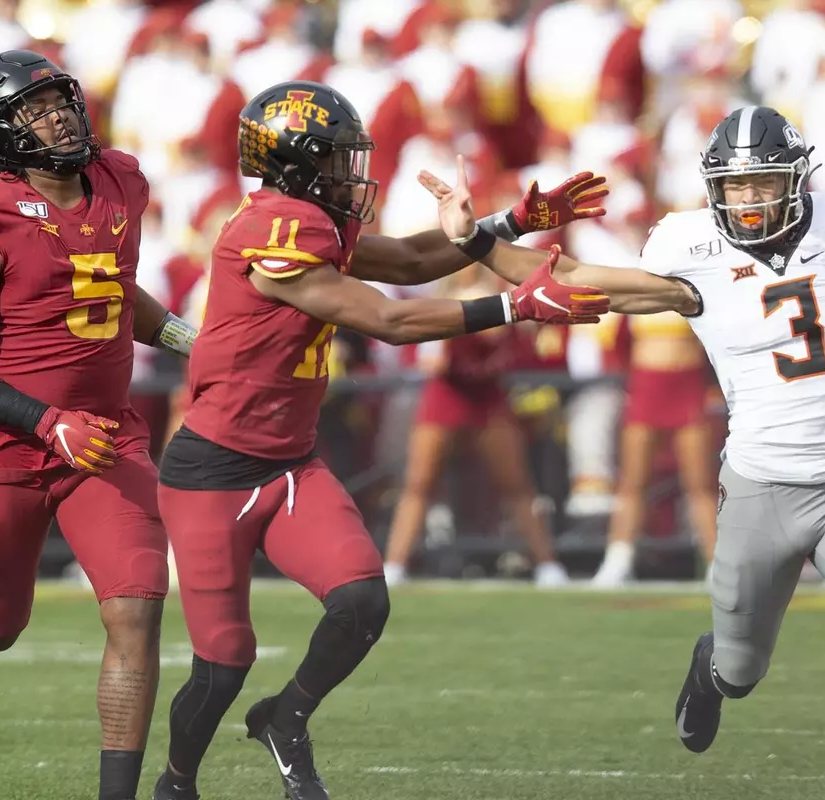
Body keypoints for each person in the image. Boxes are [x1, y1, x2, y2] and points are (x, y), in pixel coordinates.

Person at [426, 105, 825, 800]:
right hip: (759, 491)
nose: (748, 199)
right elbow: (580, 277)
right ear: (712, 188)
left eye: (762, 183)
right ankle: (710, 670)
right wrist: (474, 242)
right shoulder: (688, 246)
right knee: (741, 670)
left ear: (794, 180)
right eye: (734, 186)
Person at [151, 80, 609, 800]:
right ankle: (175, 783)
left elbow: (407, 262)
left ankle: (286, 718)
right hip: (214, 470)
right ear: (296, 165)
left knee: (363, 603)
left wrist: (512, 220)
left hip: (289, 463)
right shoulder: (274, 227)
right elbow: (386, 318)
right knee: (225, 661)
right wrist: (513, 305)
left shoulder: (309, 216)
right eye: (335, 159)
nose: (350, 174)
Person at [0, 50, 199, 800]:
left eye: (59, 100)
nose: (58, 116)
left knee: (137, 606)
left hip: (102, 434)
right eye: (33, 109)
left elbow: (111, 286)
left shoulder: (119, 180)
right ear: (2, 132)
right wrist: (43, 419)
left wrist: (187, 340)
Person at [383, 264, 569, 587]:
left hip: (488, 396)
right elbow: (428, 358)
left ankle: (547, 564)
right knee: (419, 483)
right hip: (446, 395)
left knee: (516, 483)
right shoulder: (439, 298)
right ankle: (395, 564)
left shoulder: (497, 293)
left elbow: (510, 340)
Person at [589, 309, 719, 587]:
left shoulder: (690, 294)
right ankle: (618, 560)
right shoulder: (638, 301)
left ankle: (715, 564)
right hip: (646, 390)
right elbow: (620, 347)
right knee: (632, 482)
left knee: (700, 484)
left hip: (687, 389)